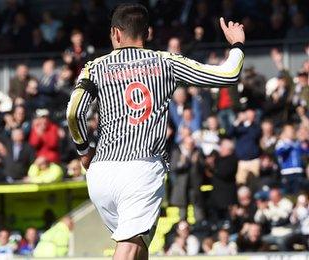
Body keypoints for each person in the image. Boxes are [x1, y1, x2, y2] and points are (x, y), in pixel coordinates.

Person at [66, 4, 245, 259]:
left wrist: (84, 150)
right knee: (128, 247)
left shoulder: (95, 67)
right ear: (148, 33)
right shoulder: (165, 62)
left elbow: (74, 112)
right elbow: (228, 75)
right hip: (141, 167)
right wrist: (237, 45)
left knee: (140, 245)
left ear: (115, 33)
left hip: (101, 171)